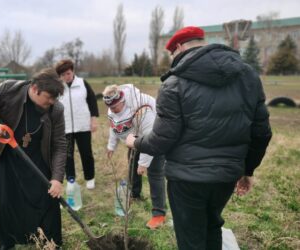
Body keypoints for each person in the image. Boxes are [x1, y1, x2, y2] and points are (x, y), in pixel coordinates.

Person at [126, 26, 272, 249]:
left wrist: (135, 142)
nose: (172, 59)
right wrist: (247, 170)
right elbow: (262, 133)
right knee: (212, 227)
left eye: (171, 54)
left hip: (187, 180)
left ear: (178, 47)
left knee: (190, 238)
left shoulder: (174, 84)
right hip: (226, 176)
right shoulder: (248, 76)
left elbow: (162, 139)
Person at [0, 68, 66, 250]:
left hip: (40, 160)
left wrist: (56, 178)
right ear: (34, 88)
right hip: (10, 159)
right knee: (8, 202)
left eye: (55, 98)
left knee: (46, 201)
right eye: (48, 97)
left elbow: (60, 145)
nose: (52, 101)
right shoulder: (8, 90)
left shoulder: (56, 108)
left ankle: (48, 242)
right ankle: (7, 242)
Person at [103, 84, 167, 229]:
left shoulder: (141, 108)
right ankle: (135, 195)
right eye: (110, 108)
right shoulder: (112, 107)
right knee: (132, 167)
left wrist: (143, 163)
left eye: (114, 107)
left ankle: (159, 214)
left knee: (155, 174)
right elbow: (114, 126)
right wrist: (111, 146)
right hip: (134, 138)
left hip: (155, 138)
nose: (112, 110)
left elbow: (149, 136)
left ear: (122, 101)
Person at [55, 59, 99, 189]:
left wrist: (93, 119)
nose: (66, 77)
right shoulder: (58, 88)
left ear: (72, 71)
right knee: (67, 155)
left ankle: (90, 178)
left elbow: (92, 101)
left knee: (86, 153)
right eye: (63, 75)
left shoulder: (82, 83)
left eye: (68, 73)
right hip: (65, 127)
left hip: (83, 126)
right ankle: (70, 180)